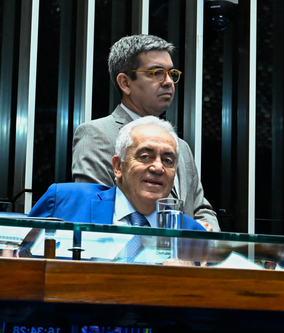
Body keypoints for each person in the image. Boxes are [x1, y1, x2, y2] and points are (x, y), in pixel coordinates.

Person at [72, 34, 219, 231]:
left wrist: (205, 235)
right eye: (157, 73)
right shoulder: (97, 134)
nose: (168, 82)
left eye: (171, 73)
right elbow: (95, 210)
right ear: (125, 83)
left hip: (184, 257)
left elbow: (201, 208)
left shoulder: (180, 145)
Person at [30, 116, 205, 234]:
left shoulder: (192, 232)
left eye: (168, 160)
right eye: (145, 156)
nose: (158, 168)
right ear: (118, 166)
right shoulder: (64, 202)